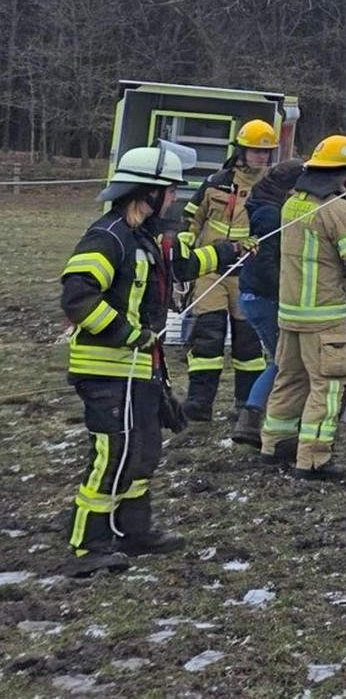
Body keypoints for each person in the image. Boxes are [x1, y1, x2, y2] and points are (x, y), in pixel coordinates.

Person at [59, 146, 240, 576]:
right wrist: (128, 333)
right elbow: (78, 296)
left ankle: (134, 530)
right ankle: (90, 543)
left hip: (140, 370)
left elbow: (181, 266)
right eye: (171, 191)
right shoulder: (109, 237)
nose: (175, 199)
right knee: (114, 452)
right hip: (106, 369)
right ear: (149, 193)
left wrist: (228, 252)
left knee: (143, 452)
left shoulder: (146, 238)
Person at [259, 135, 346, 480]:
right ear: (345, 174)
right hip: (325, 316)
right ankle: (312, 459)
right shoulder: (339, 209)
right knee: (328, 386)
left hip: (291, 312)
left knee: (289, 380)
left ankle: (275, 445)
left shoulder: (293, 203)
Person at [180, 119, 276, 422]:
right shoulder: (216, 182)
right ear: (242, 151)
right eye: (255, 151)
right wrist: (183, 255)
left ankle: (245, 407)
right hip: (210, 270)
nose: (261, 157)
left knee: (248, 342)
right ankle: (198, 403)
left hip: (247, 274)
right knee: (208, 335)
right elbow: (191, 219)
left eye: (266, 153)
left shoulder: (273, 187)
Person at [230, 158, 305, 448]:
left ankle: (255, 416)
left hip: (259, 296)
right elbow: (264, 264)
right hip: (262, 298)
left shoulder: (268, 208)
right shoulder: (269, 215)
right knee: (284, 360)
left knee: (282, 358)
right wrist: (285, 291)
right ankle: (250, 418)